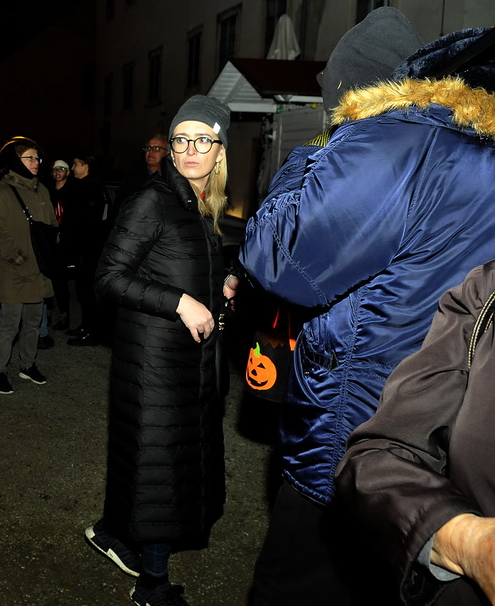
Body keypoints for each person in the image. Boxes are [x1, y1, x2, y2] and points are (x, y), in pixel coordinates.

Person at [234, 13, 495, 605]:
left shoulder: (393, 139)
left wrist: (312, 155)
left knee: (289, 587)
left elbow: (278, 254)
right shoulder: (479, 147)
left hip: (355, 428)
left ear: (356, 91)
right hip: (443, 427)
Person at [85, 95, 232, 606]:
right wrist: (179, 303)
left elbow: (179, 268)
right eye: (180, 139)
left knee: (156, 462)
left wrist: (220, 290)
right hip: (155, 363)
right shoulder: (153, 198)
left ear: (219, 149)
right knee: (161, 470)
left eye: (202, 140)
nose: (190, 149)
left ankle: (110, 533)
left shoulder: (198, 203)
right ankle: (152, 586)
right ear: (169, 147)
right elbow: (107, 277)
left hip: (185, 362)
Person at [336, 261, 495, 606]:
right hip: (364, 376)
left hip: (360, 370)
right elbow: (382, 451)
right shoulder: (487, 289)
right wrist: (469, 541)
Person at [0, 136, 56, 395]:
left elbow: (51, 226)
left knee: (34, 323)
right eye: (30, 158)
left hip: (39, 269)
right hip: (14, 269)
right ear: (17, 161)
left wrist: (51, 254)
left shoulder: (43, 190)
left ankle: (27, 365)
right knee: (9, 324)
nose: (36, 162)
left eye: (37, 158)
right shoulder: (3, 192)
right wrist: (18, 258)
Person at [65, 152, 110, 346]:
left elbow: (86, 224)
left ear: (86, 166)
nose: (73, 168)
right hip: (89, 248)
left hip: (89, 250)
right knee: (84, 292)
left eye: (75, 164)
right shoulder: (88, 187)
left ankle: (92, 332)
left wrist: (78, 251)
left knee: (88, 292)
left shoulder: (90, 189)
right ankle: (86, 326)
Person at [48, 158, 73, 331]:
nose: (58, 172)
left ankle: (64, 314)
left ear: (67, 172)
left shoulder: (72, 191)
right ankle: (46, 313)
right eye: (55, 169)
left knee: (61, 280)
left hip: (65, 240)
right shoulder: (47, 191)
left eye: (61, 169)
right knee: (48, 278)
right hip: (50, 239)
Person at [115, 134, 170, 205]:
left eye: (156, 148)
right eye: (148, 148)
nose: (150, 152)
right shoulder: (131, 179)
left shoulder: (170, 180)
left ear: (167, 153)